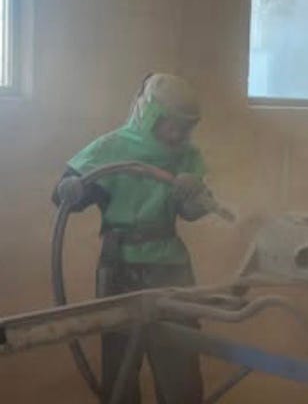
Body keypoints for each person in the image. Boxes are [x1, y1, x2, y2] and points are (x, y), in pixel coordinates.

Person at [53, 73, 209, 404]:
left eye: (184, 127)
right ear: (149, 115)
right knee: (120, 368)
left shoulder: (187, 156)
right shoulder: (112, 148)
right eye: (170, 125)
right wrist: (71, 189)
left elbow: (194, 211)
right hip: (119, 267)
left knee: (180, 365)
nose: (177, 134)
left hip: (170, 267)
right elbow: (67, 195)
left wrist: (195, 194)